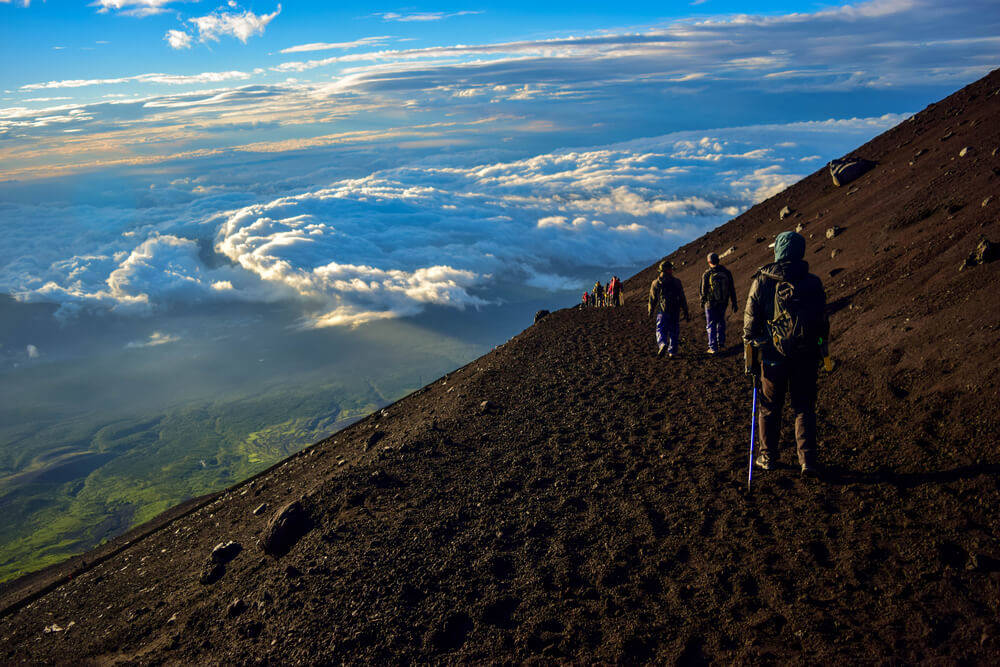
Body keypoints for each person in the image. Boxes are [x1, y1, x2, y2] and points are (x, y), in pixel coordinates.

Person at [743, 231, 829, 477]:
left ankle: (768, 456)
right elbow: (822, 321)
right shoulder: (812, 282)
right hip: (806, 356)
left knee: (770, 407)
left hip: (772, 357)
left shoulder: (762, 281)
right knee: (804, 407)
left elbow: (749, 326)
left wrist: (750, 360)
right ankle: (808, 461)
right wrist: (823, 351)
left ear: (778, 252)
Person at [647, 260, 690, 357]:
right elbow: (682, 298)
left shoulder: (656, 283)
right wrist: (686, 311)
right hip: (675, 310)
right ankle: (672, 351)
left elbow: (652, 299)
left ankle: (662, 343)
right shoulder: (677, 282)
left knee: (660, 329)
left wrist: (650, 311)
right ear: (669, 270)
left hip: (662, 311)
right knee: (674, 331)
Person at [700, 252, 738, 354]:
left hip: (710, 303)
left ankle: (713, 347)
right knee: (721, 321)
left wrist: (702, 301)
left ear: (709, 262)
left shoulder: (707, 274)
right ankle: (721, 342)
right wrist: (734, 302)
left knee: (711, 324)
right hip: (723, 302)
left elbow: (703, 290)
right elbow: (731, 288)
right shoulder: (726, 272)